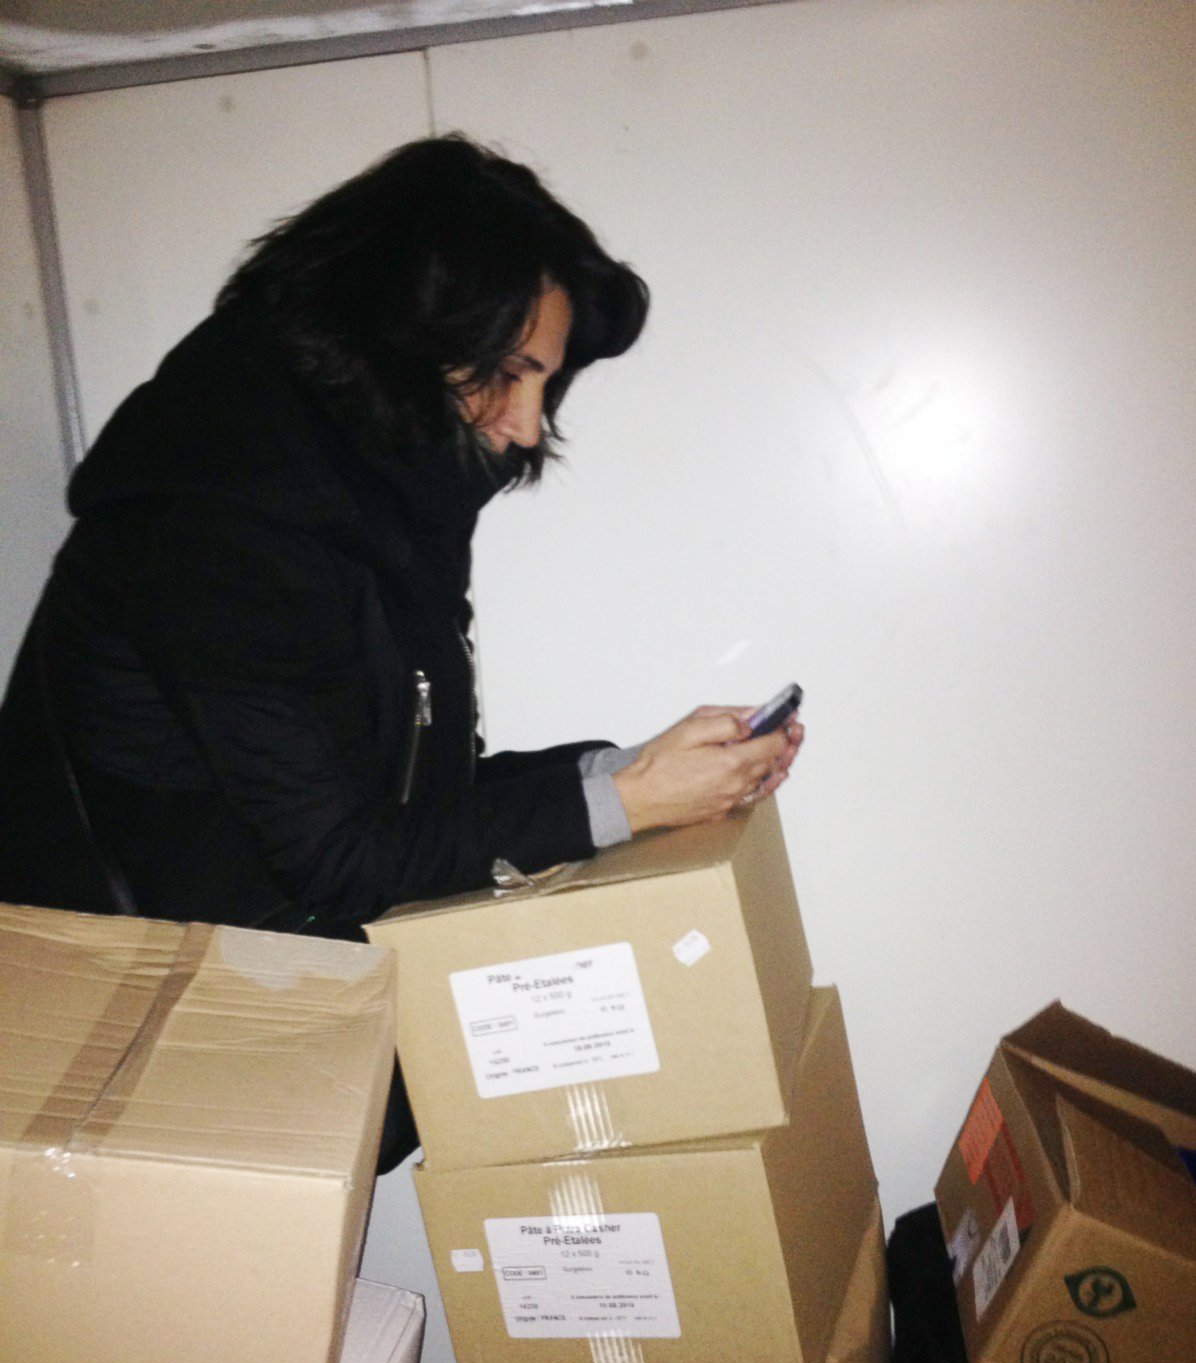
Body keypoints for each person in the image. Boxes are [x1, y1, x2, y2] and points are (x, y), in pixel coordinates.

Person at [0, 135, 802, 1169]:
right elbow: (339, 855)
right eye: (506, 376)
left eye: (542, 385)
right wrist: (628, 803)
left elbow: (410, 796)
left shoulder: (379, 503)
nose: (523, 427)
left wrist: (621, 773)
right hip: (131, 1065)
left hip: (241, 1005)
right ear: (393, 334)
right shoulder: (220, 518)